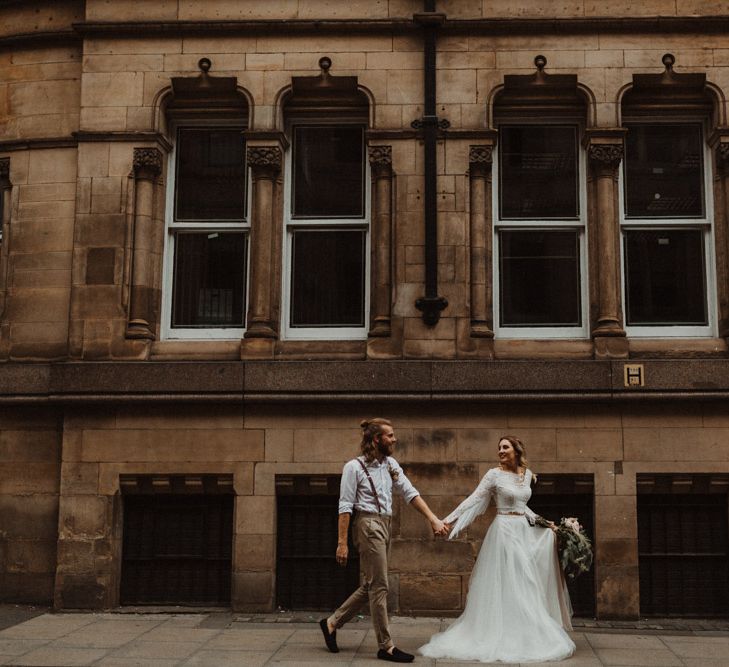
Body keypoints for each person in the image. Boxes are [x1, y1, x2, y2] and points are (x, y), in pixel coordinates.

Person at [419, 435, 576, 663]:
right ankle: (502, 633)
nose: (501, 451)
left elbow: (524, 508)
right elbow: (472, 500)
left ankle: (525, 632)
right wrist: (446, 521)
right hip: (504, 531)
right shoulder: (494, 475)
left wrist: (548, 524)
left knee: (525, 581)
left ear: (516, 450)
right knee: (511, 581)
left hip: (523, 530)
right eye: (499, 448)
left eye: (505, 447)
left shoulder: (528, 474)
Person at [320, 418, 449, 663]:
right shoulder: (354, 467)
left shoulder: (390, 465)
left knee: (372, 584)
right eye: (390, 435)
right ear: (377, 439)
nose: (395, 439)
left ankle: (332, 623)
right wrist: (342, 542)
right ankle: (386, 646)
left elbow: (410, 493)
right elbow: (345, 506)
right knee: (380, 586)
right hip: (367, 524)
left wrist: (433, 519)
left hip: (386, 523)